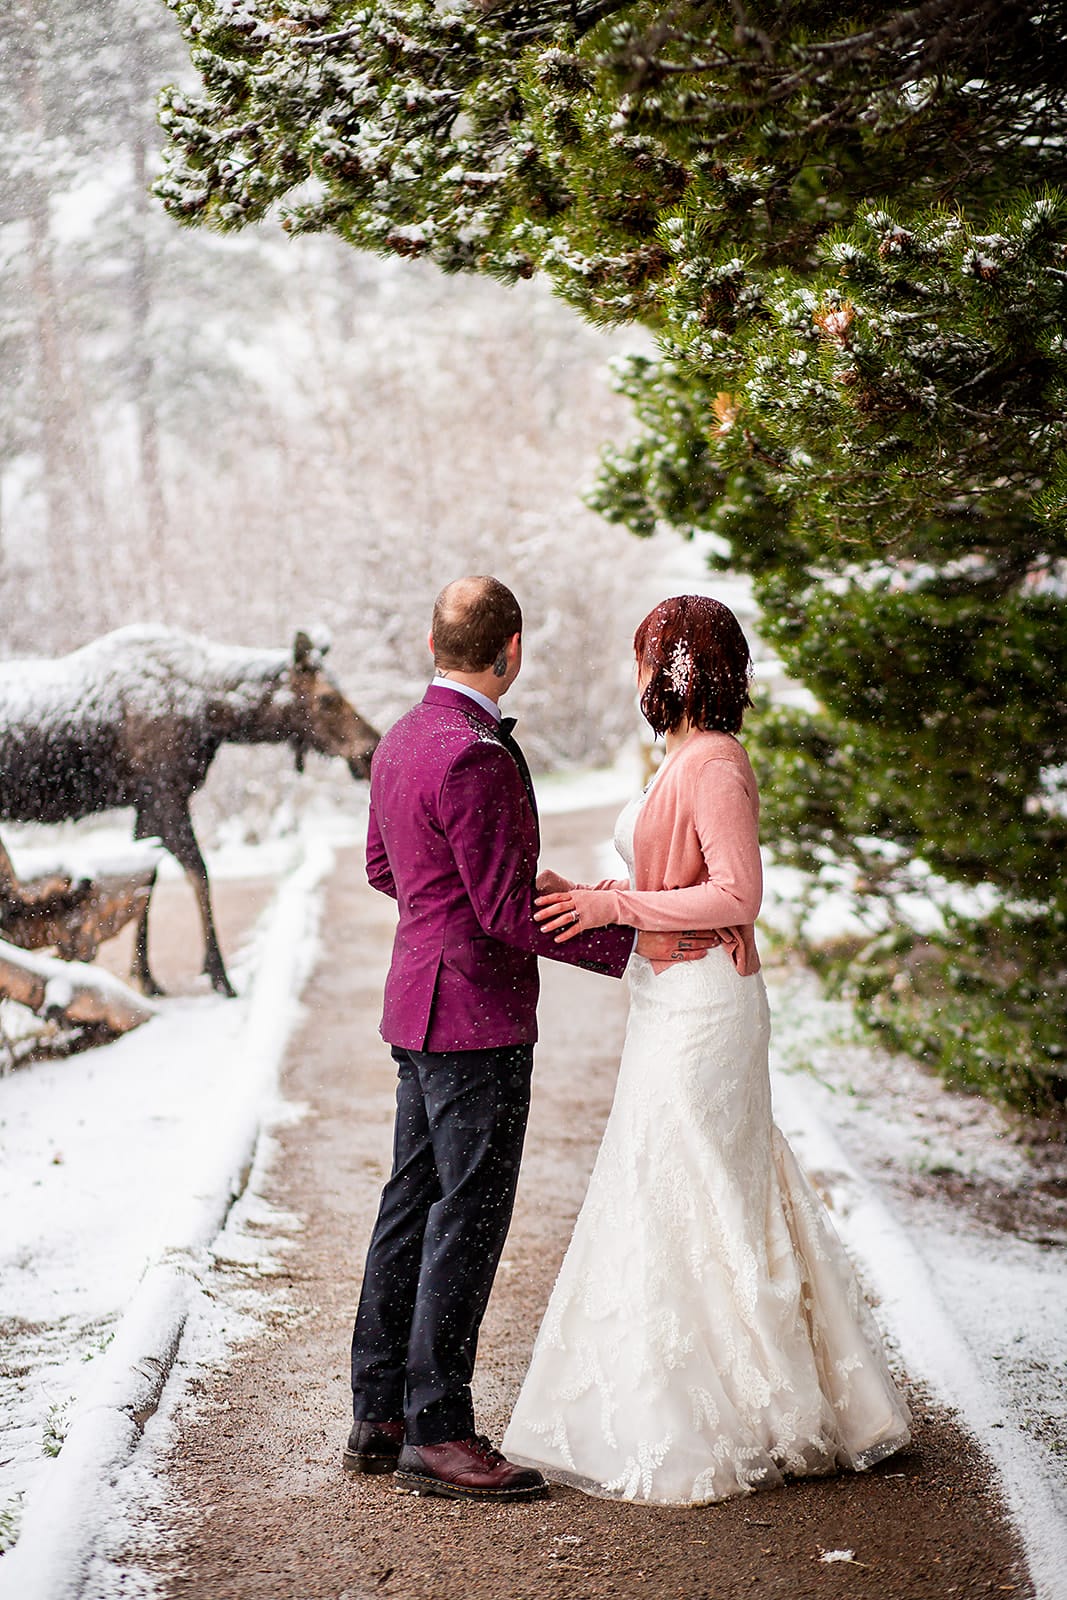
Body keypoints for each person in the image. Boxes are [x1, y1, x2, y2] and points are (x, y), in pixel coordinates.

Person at [503, 593, 911, 1506]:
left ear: (677, 668)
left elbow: (737, 894)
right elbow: (670, 879)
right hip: (664, 996)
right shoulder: (676, 757)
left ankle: (757, 1407)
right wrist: (599, 892)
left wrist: (618, 906)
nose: (636, 677)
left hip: (706, 1011)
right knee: (664, 1183)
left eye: (644, 659)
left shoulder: (717, 762)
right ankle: (678, 1394)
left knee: (704, 1185)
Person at [344, 577, 717, 1503]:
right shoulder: (475, 756)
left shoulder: (402, 738)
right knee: (465, 1219)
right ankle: (436, 1431)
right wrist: (635, 944)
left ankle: (378, 1410)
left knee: (409, 1205)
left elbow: (383, 867)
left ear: (437, 642)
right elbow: (508, 910)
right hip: (475, 1021)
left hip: (418, 1010)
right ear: (510, 650)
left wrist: (448, 912)